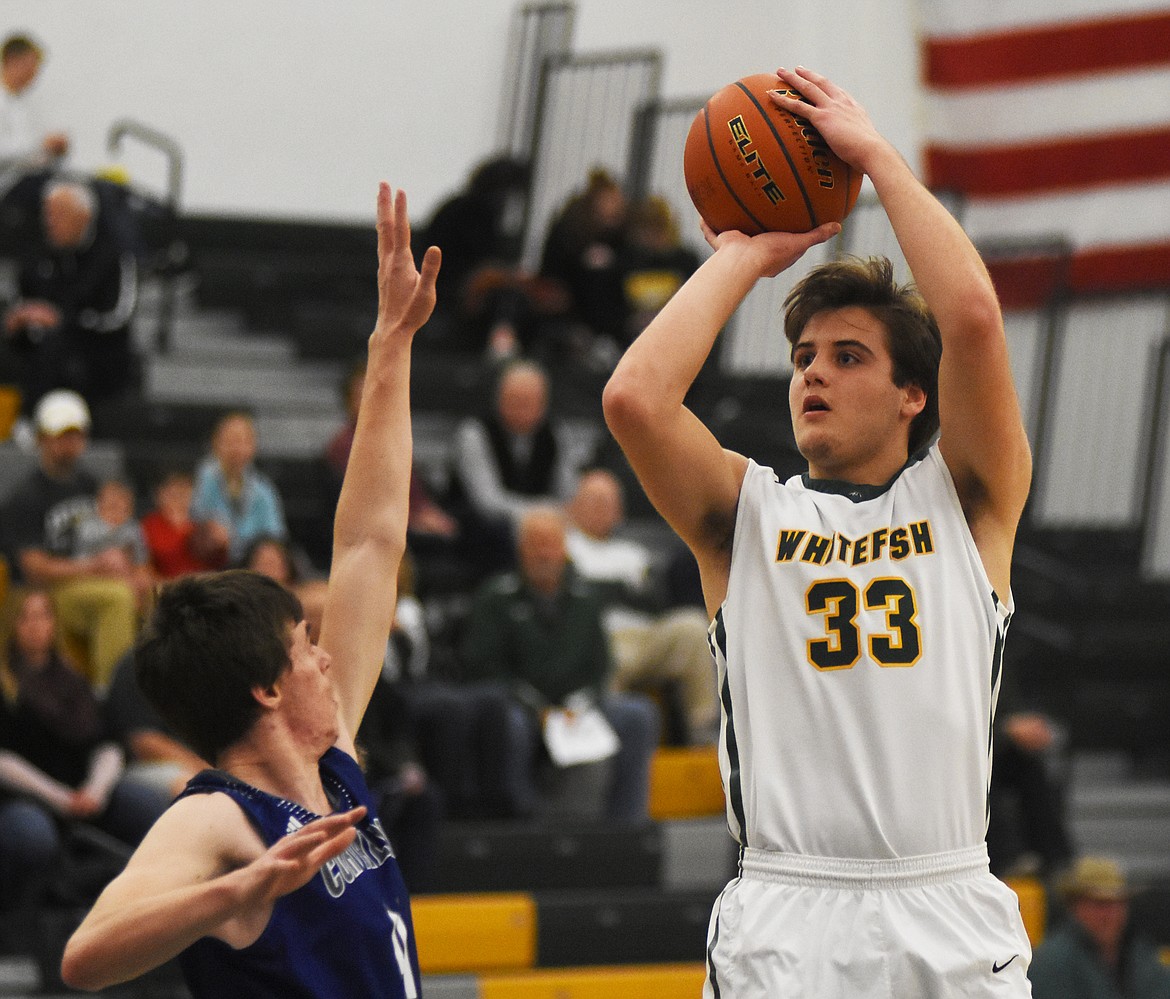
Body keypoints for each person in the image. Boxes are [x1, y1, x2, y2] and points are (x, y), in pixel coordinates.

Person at [602, 66, 1035, 996]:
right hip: (787, 910)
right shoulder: (744, 515)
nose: (812, 376)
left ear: (913, 393)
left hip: (946, 902)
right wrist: (744, 256)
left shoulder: (967, 500)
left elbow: (971, 319)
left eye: (847, 356)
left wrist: (876, 158)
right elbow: (635, 399)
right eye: (802, 357)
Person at [58, 183, 441, 998]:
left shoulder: (335, 763)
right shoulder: (217, 818)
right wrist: (233, 893)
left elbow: (371, 541)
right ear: (267, 686)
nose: (328, 658)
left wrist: (391, 348)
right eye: (306, 648)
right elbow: (86, 956)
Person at [459, 504, 658, 825]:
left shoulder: (586, 598)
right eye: (536, 545)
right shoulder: (496, 598)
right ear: (521, 549)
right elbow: (482, 667)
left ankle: (628, 825)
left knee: (637, 715)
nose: (544, 554)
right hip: (521, 706)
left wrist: (578, 704)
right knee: (509, 723)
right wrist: (536, 707)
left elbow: (600, 665)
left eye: (551, 544)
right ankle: (520, 820)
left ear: (564, 549)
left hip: (576, 705)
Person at [0, 588, 168, 921]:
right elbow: (3, 759)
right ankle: (22, 924)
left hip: (85, 791)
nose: (36, 625)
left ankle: (140, 912)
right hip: (23, 796)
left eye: (44, 615)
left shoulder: (73, 679)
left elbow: (107, 744)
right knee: (32, 834)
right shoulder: (6, 686)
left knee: (151, 807)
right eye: (26, 617)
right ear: (10, 626)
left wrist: (95, 790)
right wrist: (61, 798)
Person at [566, 467, 718, 744]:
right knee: (607, 653)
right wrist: (620, 591)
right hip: (602, 636)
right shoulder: (566, 547)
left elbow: (654, 604)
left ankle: (703, 734)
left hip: (644, 635)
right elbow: (581, 600)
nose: (603, 509)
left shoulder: (633, 554)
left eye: (609, 502)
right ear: (574, 506)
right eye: (594, 501)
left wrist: (608, 590)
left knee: (693, 627)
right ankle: (608, 738)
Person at [0, 389, 138, 690]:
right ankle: (112, 695)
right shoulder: (25, 497)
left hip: (92, 579)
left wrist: (128, 567)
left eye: (75, 436)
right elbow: (34, 568)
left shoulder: (92, 486)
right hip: (47, 591)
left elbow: (121, 535)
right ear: (42, 439)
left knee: (146, 591)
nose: (69, 444)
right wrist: (95, 565)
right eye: (61, 435)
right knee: (116, 598)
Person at [2, 179, 139, 415]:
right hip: (40, 341)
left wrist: (61, 321)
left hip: (96, 350)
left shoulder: (113, 257)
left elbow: (117, 316)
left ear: (84, 216)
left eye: (59, 214)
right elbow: (20, 296)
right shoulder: (38, 253)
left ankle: (33, 418)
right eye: (48, 213)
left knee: (56, 351)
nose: (50, 221)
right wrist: (19, 316)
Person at [448, 358, 580, 543]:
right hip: (483, 531)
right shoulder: (475, 432)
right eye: (515, 400)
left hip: (544, 524)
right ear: (499, 399)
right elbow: (487, 501)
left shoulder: (556, 434)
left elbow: (569, 494)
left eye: (529, 401)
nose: (522, 408)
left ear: (544, 404)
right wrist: (541, 513)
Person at [1028, 856, 1170, 998]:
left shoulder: (1140, 954)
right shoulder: (1052, 963)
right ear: (1074, 906)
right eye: (1100, 904)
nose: (1111, 914)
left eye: (1118, 903)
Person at [190, 409, 287, 567]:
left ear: (253, 446)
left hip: (251, 562)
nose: (237, 448)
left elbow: (275, 534)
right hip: (210, 560)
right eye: (230, 441)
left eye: (243, 441)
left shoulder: (263, 488)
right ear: (215, 443)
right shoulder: (202, 477)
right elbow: (193, 518)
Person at [0, 33, 68, 252]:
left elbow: (33, 153)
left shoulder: (25, 106)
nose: (34, 75)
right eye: (31, 66)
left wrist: (53, 153)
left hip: (28, 180)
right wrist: (42, 146)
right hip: (9, 186)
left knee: (82, 190)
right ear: (12, 61)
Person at [70, 477, 154, 609]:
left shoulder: (133, 528)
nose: (115, 503)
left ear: (130, 505)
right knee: (114, 556)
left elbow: (141, 564)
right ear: (99, 503)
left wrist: (141, 579)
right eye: (110, 499)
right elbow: (81, 563)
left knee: (147, 583)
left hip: (127, 574)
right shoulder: (87, 527)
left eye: (122, 499)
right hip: (93, 575)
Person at [139, 467, 221, 580]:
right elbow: (144, 566)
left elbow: (216, 562)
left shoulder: (202, 525)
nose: (178, 497)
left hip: (200, 585)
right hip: (164, 586)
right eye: (173, 491)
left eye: (184, 491)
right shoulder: (149, 526)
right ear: (159, 494)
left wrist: (220, 543)